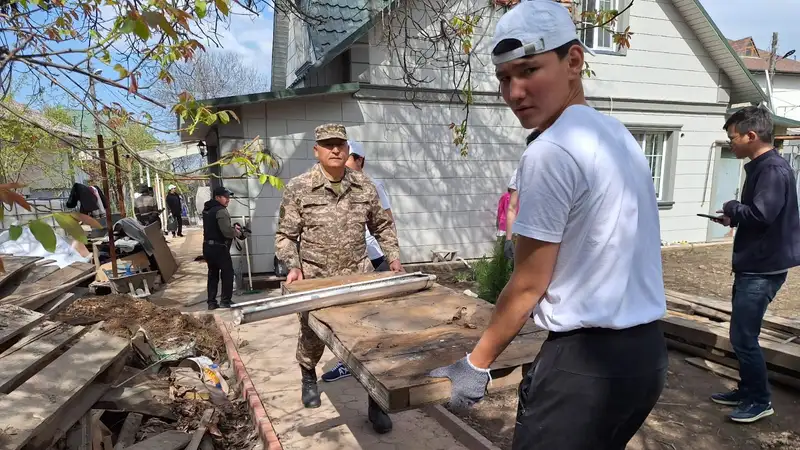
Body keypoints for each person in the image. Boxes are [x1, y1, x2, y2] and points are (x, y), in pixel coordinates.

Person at [429, 1, 668, 449]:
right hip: (646, 357)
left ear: (573, 60)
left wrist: (475, 364)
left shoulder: (552, 150)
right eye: (504, 78)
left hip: (586, 364)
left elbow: (527, 285)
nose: (515, 92)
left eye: (529, 70)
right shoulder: (618, 135)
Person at [275, 123, 403, 434]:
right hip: (316, 276)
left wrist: (394, 257)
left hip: (358, 274)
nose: (335, 150)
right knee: (311, 334)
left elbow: (383, 226)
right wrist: (293, 266)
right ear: (316, 150)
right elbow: (285, 236)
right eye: (327, 144)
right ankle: (308, 376)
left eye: (340, 144)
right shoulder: (299, 187)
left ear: (348, 149)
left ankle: (375, 402)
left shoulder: (363, 186)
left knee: (369, 340)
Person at [708, 105, 800, 423]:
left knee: (743, 337)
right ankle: (747, 390)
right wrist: (734, 215)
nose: (731, 143)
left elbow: (761, 215)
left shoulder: (771, 169)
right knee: (742, 335)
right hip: (755, 264)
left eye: (733, 137)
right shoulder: (761, 166)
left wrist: (734, 204)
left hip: (762, 268)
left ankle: (760, 400)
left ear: (751, 135)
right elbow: (761, 215)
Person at [321, 140, 396, 383]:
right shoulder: (336, 186)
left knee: (375, 314)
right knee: (348, 315)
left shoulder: (373, 186)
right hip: (348, 264)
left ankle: (379, 361)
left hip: (374, 259)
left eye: (349, 157)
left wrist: (393, 256)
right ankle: (350, 362)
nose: (343, 160)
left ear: (360, 160)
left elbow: (387, 222)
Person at [202, 186, 239, 310]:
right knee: (227, 273)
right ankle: (225, 301)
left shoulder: (207, 209)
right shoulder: (221, 211)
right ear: (217, 197)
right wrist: (237, 232)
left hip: (207, 246)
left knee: (212, 274)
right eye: (225, 197)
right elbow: (227, 232)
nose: (228, 199)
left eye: (228, 197)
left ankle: (211, 302)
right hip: (219, 248)